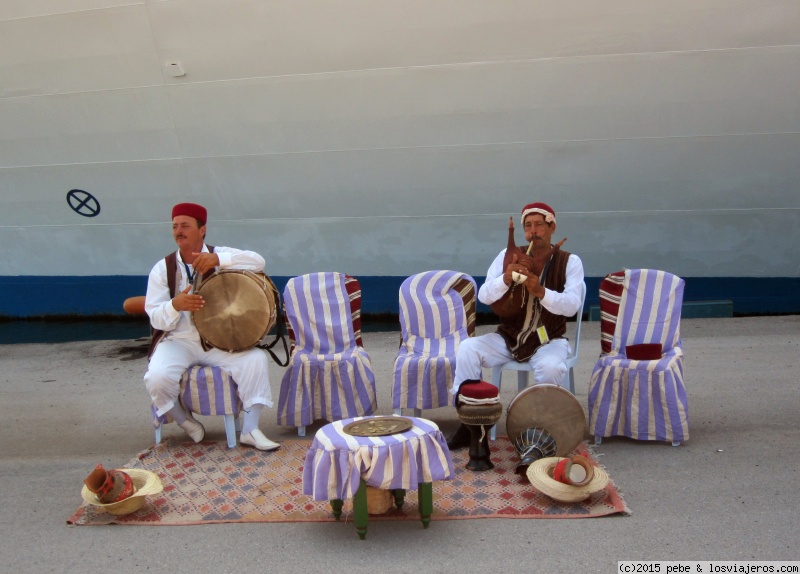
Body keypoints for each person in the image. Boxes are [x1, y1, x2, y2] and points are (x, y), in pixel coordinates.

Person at [447, 202, 584, 449]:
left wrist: (541, 292)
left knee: (551, 367)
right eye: (528, 226)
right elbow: (485, 296)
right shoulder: (507, 256)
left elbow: (572, 305)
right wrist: (505, 278)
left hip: (548, 339)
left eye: (539, 225)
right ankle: (469, 425)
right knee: (468, 348)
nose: (533, 231)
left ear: (552, 227)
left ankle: (543, 431)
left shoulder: (570, 261)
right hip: (509, 337)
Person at [143, 202, 280, 451]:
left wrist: (220, 259)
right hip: (179, 342)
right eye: (175, 226)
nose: (178, 231)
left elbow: (258, 261)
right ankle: (186, 422)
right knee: (157, 376)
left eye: (185, 225)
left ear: (202, 229)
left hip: (219, 342)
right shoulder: (162, 268)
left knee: (255, 360)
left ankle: (250, 429)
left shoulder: (219, 255)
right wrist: (176, 304)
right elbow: (155, 317)